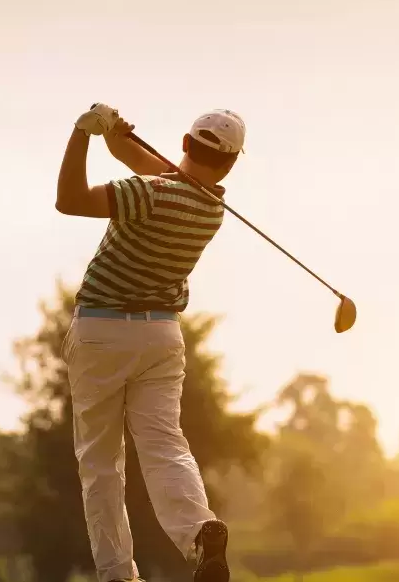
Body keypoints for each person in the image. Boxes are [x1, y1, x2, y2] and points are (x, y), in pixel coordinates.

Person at [54, 103, 246, 582]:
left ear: (184, 142)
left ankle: (119, 574)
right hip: (160, 336)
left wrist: (81, 134)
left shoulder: (148, 194)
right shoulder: (210, 206)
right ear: (232, 164)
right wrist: (116, 137)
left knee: (100, 460)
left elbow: (69, 199)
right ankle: (199, 533)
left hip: (102, 332)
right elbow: (153, 169)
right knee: (164, 444)